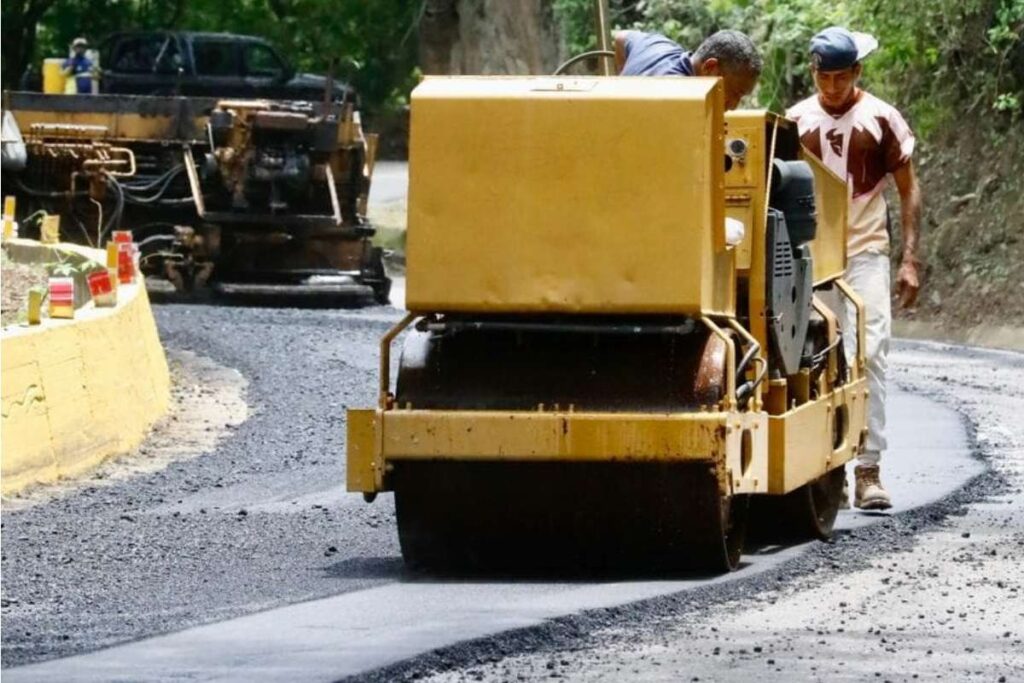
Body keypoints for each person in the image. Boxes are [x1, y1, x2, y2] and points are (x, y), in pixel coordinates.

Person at [786, 27, 922, 510]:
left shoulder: (882, 118)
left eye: (842, 77)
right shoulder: (796, 122)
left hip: (866, 251)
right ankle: (829, 471)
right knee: (817, 359)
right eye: (825, 77)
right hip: (812, 257)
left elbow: (908, 188)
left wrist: (909, 258)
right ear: (814, 73)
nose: (833, 87)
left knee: (872, 352)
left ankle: (869, 469)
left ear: (857, 73)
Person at [613, 29, 762, 110]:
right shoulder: (685, 101)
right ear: (710, 67)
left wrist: (621, 84)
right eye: (735, 93)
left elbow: (621, 38)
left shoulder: (657, 45)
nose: (733, 106)